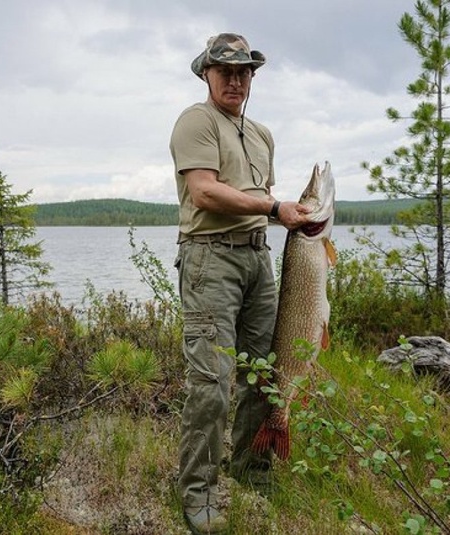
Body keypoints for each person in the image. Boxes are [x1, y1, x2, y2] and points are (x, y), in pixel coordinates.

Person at [169, 33, 310, 534]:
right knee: (211, 384)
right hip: (211, 262)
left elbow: (256, 199)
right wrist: (275, 208)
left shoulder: (262, 134)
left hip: (258, 261)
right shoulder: (196, 122)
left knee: (262, 373)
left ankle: (252, 471)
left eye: (243, 71)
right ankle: (198, 492)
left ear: (253, 77)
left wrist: (290, 217)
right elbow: (205, 193)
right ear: (206, 73)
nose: (235, 79)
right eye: (224, 70)